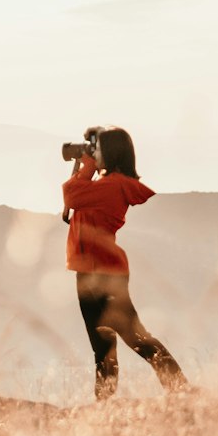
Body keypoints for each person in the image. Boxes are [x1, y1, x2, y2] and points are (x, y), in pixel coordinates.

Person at [62, 125, 189, 400]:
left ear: (111, 152)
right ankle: (105, 404)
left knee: (135, 338)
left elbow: (71, 195)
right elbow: (75, 197)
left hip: (104, 273)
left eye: (96, 150)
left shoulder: (115, 185)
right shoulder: (103, 184)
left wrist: (85, 167)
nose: (91, 155)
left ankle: (181, 390)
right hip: (87, 271)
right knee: (102, 345)